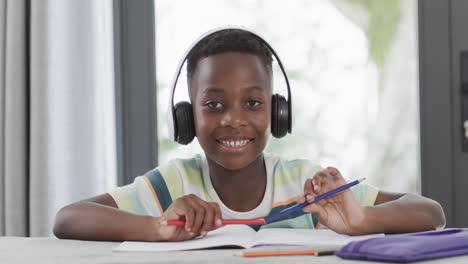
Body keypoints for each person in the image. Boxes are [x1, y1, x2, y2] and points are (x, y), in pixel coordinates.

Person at [53, 28, 446, 242]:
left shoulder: (304, 182)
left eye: (253, 104)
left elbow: (430, 212)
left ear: (278, 112)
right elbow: (68, 218)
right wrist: (155, 227)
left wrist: (361, 220)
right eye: (214, 105)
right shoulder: (172, 185)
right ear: (187, 116)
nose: (233, 120)